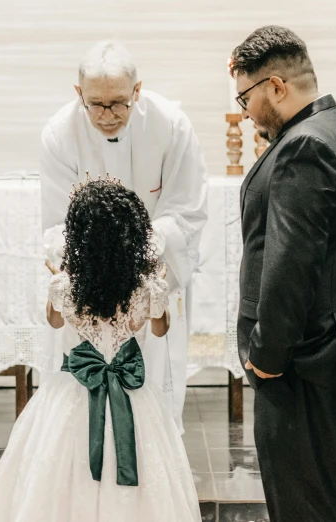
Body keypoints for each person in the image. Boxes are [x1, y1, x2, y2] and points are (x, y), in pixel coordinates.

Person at [231, 26, 336, 522]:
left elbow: (289, 267)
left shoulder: (304, 148)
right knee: (322, 504)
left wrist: (267, 357)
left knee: (306, 512)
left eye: (245, 96)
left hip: (305, 365)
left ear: (276, 87)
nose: (244, 111)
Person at [0, 178, 201, 522]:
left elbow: (54, 323)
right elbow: (160, 328)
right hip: (132, 396)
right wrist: (157, 288)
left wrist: (60, 281)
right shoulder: (145, 287)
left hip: (71, 393)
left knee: (57, 474)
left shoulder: (65, 286)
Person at [40, 40, 208, 431]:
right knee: (82, 411)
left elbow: (186, 211)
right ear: (78, 93)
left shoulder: (171, 125)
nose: (107, 115)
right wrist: (97, 260)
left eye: (119, 102)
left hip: (150, 277)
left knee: (153, 402)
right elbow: (55, 223)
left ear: (138, 90)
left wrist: (131, 258)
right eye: (95, 104)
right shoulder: (58, 133)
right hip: (88, 285)